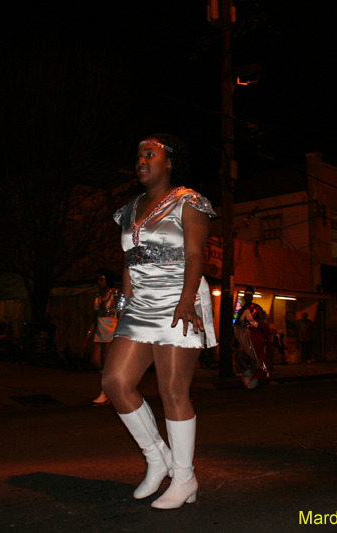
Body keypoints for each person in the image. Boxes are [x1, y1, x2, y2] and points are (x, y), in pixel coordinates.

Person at [102, 134, 217, 509]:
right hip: (139, 305)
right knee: (115, 382)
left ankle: (184, 477)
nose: (141, 160)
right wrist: (124, 301)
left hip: (176, 300)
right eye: (138, 155)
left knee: (172, 390)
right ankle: (158, 459)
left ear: (168, 162)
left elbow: (196, 255)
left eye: (150, 154)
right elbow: (128, 261)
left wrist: (187, 303)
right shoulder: (129, 209)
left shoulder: (189, 201)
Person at [83, 268, 120, 406]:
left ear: (108, 280)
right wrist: (88, 334)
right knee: (95, 361)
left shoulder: (115, 293)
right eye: (97, 280)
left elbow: (121, 312)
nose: (99, 282)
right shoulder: (98, 295)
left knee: (106, 362)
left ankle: (106, 392)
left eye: (101, 279)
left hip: (112, 329)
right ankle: (113, 386)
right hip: (100, 330)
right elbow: (95, 316)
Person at [233, 286, 271, 388]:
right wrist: (234, 338)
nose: (247, 297)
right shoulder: (241, 310)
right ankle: (248, 373)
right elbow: (237, 325)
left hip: (255, 336)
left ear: (252, 296)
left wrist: (263, 336)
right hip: (243, 336)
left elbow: (262, 324)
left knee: (253, 358)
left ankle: (254, 378)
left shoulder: (257, 308)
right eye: (246, 295)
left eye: (249, 295)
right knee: (240, 356)